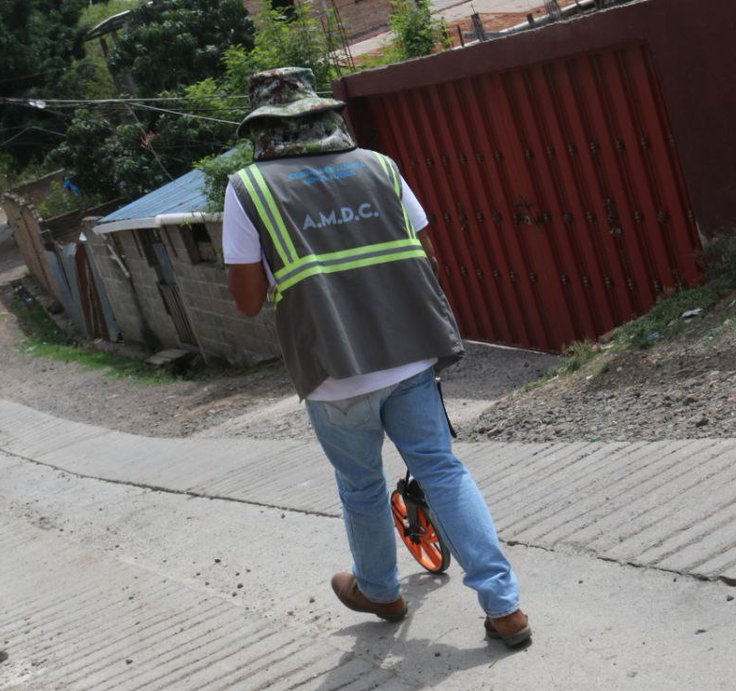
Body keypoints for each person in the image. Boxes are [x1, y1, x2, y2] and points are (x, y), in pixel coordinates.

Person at [222, 67, 530, 647]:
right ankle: (505, 607)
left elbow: (246, 302)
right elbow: (425, 249)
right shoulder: (380, 166)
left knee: (361, 486)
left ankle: (381, 591)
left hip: (334, 369)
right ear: (324, 115)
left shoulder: (249, 188)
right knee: (441, 470)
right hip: (409, 350)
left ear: (263, 128)